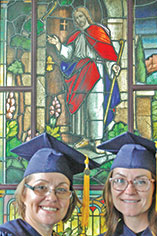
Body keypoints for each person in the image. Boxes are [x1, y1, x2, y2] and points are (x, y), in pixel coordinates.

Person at [47, 7, 121, 152]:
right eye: (76, 18)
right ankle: (86, 138)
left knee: (95, 107)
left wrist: (113, 66)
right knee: (81, 107)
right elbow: (69, 55)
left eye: (81, 16)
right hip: (81, 73)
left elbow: (107, 54)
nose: (79, 20)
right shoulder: (76, 36)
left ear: (87, 16)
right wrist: (58, 44)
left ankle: (98, 141)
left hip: (95, 72)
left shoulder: (98, 32)